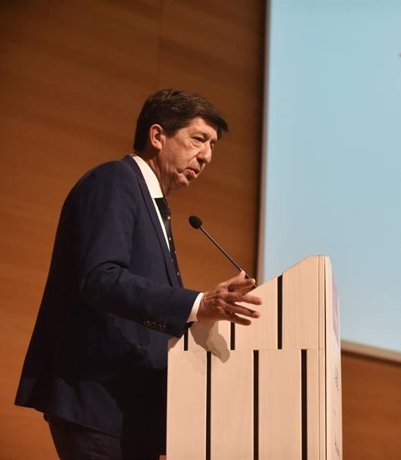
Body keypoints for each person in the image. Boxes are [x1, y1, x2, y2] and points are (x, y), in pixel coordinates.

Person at [15, 89, 262, 459]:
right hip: (99, 403)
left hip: (131, 414)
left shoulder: (154, 206)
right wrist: (197, 303)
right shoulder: (115, 181)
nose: (207, 155)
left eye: (213, 146)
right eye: (199, 139)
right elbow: (100, 278)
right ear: (158, 135)